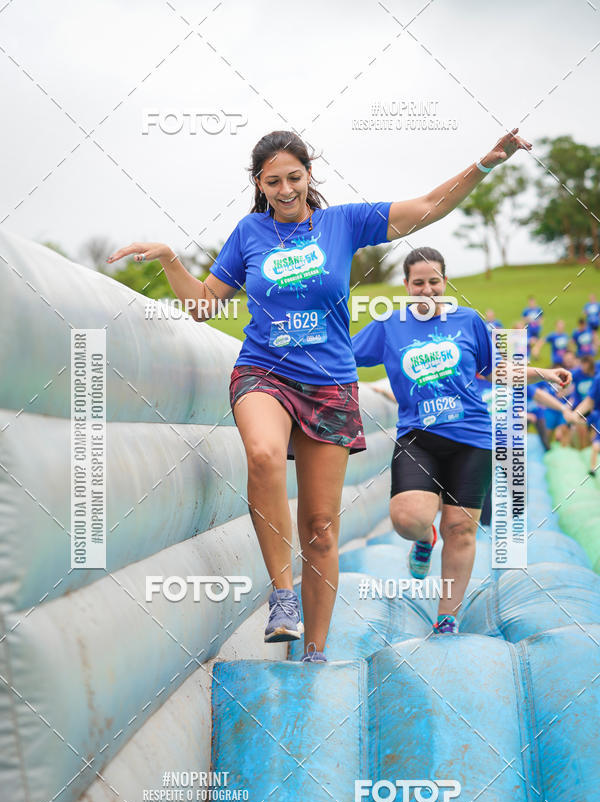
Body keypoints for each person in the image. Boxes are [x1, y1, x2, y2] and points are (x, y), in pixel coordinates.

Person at [106, 127, 532, 662]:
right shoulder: (249, 233)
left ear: (310, 174)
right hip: (264, 370)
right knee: (262, 455)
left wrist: (485, 165)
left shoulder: (343, 223)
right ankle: (282, 595)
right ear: (259, 185)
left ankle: (313, 652)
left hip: (329, 384)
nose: (285, 190)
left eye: (294, 177)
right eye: (272, 181)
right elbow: (206, 305)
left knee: (321, 531)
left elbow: (427, 206)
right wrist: (171, 258)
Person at [352, 247, 571, 635]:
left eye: (434, 281)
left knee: (462, 528)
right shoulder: (390, 325)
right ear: (406, 286)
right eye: (418, 283)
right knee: (407, 518)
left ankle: (446, 617)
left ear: (444, 282)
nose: (427, 290)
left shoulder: (468, 320)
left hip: (473, 438)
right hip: (418, 436)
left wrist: (544, 372)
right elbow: (343, 355)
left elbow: (499, 371)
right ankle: (424, 537)